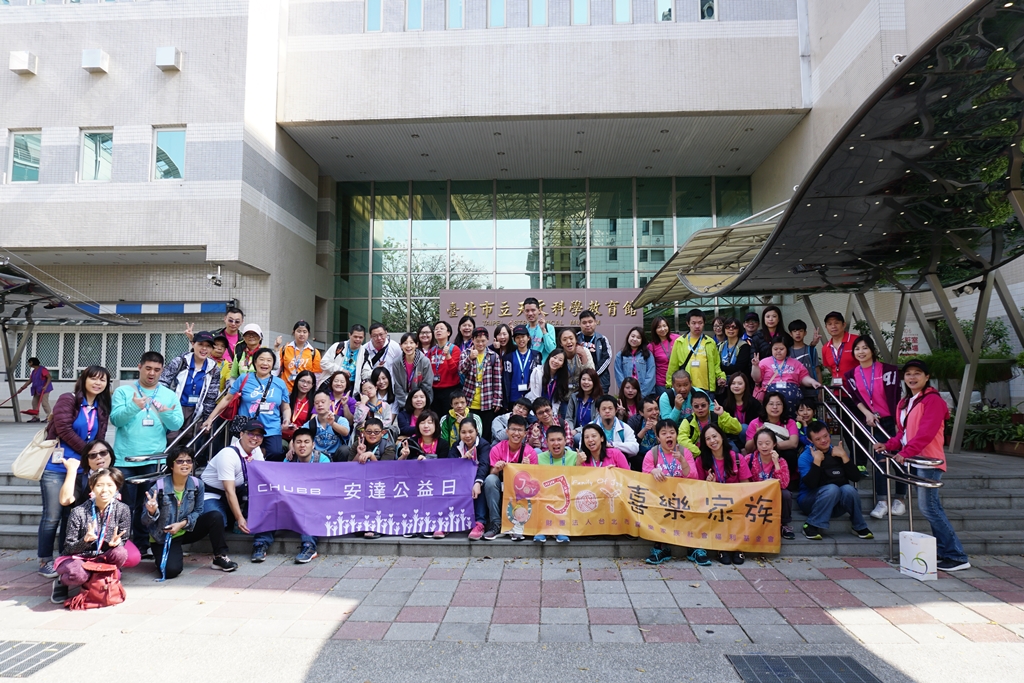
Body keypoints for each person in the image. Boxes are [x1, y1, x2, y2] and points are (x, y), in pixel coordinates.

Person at [876, 359, 969, 571]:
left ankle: (956, 555)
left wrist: (904, 452)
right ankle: (946, 553)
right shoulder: (905, 402)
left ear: (926, 377)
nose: (912, 377)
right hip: (916, 459)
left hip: (929, 460)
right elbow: (903, 433)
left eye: (917, 373)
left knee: (930, 508)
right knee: (930, 508)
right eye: (908, 373)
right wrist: (888, 445)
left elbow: (925, 433)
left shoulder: (933, 401)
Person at [38, 366, 111, 579]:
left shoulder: (102, 407)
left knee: (72, 516)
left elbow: (101, 438)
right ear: (84, 379)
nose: (98, 383)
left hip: (82, 471)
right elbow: (63, 428)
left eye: (103, 380)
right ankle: (44, 560)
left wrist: (98, 461)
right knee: (52, 516)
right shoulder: (68, 399)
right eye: (94, 379)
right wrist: (89, 451)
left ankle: (65, 556)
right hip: (56, 467)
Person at [110, 352, 184, 559]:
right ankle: (120, 547)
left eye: (157, 370)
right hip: (125, 459)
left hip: (154, 460)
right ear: (139, 366)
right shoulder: (124, 391)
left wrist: (166, 412)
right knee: (124, 507)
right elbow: (116, 420)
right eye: (148, 368)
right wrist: (135, 406)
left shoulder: (168, 394)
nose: (152, 373)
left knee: (149, 505)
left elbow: (176, 425)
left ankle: (142, 546)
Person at [142, 446, 238, 580]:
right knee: (171, 571)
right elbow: (144, 521)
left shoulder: (197, 484)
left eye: (189, 461)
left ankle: (220, 557)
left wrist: (182, 524)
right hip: (165, 535)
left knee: (215, 516)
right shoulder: (158, 488)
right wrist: (152, 512)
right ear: (171, 465)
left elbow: (198, 510)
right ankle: (161, 553)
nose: (185, 464)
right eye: (180, 461)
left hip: (187, 528)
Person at [845, 335, 905, 519]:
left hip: (893, 421)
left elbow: (897, 395)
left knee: (899, 458)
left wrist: (899, 421)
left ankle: (900, 499)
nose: (861, 352)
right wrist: (867, 413)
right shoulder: (851, 375)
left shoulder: (888, 371)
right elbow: (856, 400)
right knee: (880, 459)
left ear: (872, 350)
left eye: (865, 348)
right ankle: (882, 501)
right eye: (857, 349)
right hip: (874, 422)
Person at [50, 467, 130, 604]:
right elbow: (68, 548)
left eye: (110, 485)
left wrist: (117, 543)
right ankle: (61, 582)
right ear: (92, 487)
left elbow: (124, 537)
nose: (104, 490)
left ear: (117, 487)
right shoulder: (78, 512)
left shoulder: (123, 509)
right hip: (78, 557)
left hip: (103, 555)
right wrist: (85, 541)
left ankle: (99, 577)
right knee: (79, 576)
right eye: (99, 485)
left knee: (121, 553)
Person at [203, 348, 291, 461]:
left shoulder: (280, 383)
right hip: (247, 428)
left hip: (271, 428)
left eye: (269, 360)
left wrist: (287, 419)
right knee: (243, 459)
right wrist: (210, 418)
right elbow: (227, 399)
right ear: (255, 362)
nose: (265, 363)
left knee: (275, 453)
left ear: (273, 364)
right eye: (261, 359)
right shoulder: (244, 378)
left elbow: (286, 407)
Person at [200, 420, 267, 558]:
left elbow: (262, 478)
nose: (255, 438)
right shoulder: (228, 454)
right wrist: (240, 517)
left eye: (259, 435)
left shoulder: (256, 451)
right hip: (212, 493)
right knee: (220, 521)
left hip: (239, 490)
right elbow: (228, 490)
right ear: (241, 434)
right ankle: (220, 554)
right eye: (251, 434)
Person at [798, 420, 872, 541]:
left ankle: (859, 526)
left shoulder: (837, 451)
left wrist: (844, 457)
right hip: (810, 502)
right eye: (818, 439)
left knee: (849, 489)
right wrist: (816, 462)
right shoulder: (806, 456)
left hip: (836, 504)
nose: (823, 441)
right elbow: (810, 484)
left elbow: (855, 478)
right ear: (810, 441)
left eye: (825, 436)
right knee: (832, 489)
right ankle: (811, 525)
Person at [262, 428, 325, 563]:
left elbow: (327, 487)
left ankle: (309, 546)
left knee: (310, 507)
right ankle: (260, 544)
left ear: (313, 444)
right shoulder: (289, 460)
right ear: (293, 444)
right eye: (299, 442)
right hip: (292, 503)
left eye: (306, 442)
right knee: (271, 504)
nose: (302, 445)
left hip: (315, 504)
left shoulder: (323, 459)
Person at [643, 419, 701, 566]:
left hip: (683, 499)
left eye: (672, 432)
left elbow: (693, 477)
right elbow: (643, 479)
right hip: (660, 500)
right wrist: (652, 471)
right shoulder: (652, 454)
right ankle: (661, 547)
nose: (668, 436)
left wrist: (683, 461)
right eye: (664, 433)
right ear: (658, 437)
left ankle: (693, 547)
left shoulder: (684, 452)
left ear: (676, 435)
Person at [695, 423, 752, 564]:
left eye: (715, 436)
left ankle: (738, 547)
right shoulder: (701, 461)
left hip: (736, 501)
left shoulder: (736, 458)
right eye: (708, 439)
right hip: (713, 501)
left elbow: (745, 484)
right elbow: (698, 488)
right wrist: (709, 483)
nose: (712, 441)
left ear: (722, 437)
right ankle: (722, 548)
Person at [160, 331, 222, 443]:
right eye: (201, 344)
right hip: (175, 408)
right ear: (193, 344)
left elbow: (210, 397)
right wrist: (164, 406)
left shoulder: (214, 369)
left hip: (196, 411)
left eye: (208, 346)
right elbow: (162, 383)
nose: (204, 349)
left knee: (188, 444)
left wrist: (207, 418)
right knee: (170, 440)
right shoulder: (180, 362)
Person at [483, 414, 535, 540]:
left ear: (525, 433)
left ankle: (519, 523)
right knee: (490, 480)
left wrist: (527, 470)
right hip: (501, 483)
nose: (516, 433)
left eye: (520, 430)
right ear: (507, 431)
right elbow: (491, 474)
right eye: (513, 429)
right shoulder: (497, 448)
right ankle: (495, 523)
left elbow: (534, 481)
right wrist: (496, 468)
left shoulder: (530, 452)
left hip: (520, 487)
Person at [526, 425, 574, 544]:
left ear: (565, 440)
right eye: (552, 440)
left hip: (566, 497)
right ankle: (541, 529)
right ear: (546, 442)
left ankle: (562, 529)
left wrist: (579, 464)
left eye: (559, 439)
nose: (556, 443)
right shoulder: (538, 458)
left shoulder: (575, 456)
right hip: (545, 497)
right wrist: (525, 467)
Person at [745, 391, 801, 489]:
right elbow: (748, 448)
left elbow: (793, 443)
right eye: (771, 404)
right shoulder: (755, 423)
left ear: (783, 406)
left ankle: (787, 482)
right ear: (765, 406)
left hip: (780, 455)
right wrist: (757, 436)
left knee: (790, 454)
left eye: (778, 404)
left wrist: (770, 445)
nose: (775, 407)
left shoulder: (790, 422)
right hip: (760, 456)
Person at [751, 337, 822, 412]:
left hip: (793, 398)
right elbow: (756, 379)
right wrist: (755, 366)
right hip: (771, 396)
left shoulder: (795, 363)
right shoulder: (764, 362)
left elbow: (803, 377)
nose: (778, 351)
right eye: (775, 349)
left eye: (781, 349)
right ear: (771, 349)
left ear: (787, 349)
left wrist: (812, 382)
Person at [748, 429, 795, 540]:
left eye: (767, 443)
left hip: (773, 494)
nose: (764, 446)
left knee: (786, 494)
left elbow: (784, 485)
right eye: (760, 443)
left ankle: (784, 524)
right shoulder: (749, 459)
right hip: (755, 494)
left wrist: (776, 464)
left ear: (774, 444)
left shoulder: (781, 461)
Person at [458, 327, 503, 441]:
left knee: (485, 435)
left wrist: (497, 400)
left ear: (487, 340)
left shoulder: (493, 356)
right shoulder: (466, 353)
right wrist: (470, 358)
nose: (480, 344)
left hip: (487, 402)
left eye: (483, 341)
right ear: (472, 340)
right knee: (470, 434)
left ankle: (484, 457)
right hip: (469, 401)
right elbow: (461, 370)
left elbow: (497, 380)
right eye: (477, 341)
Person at [449, 417, 491, 541]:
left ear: (476, 431)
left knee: (480, 485)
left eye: (470, 432)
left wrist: (478, 481)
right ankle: (447, 522)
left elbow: (484, 465)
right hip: (460, 479)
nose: (467, 435)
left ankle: (480, 522)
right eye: (463, 432)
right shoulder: (456, 446)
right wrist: (462, 461)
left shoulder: (484, 445)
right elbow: (449, 466)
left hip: (477, 478)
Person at [668, 309, 725, 393]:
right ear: (688, 323)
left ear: (704, 323)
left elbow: (716, 365)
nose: (697, 326)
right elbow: (673, 366)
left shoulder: (710, 342)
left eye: (700, 323)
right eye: (693, 323)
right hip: (686, 390)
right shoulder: (680, 342)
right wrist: (669, 385)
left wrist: (721, 376)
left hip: (707, 389)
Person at [677, 390, 742, 457]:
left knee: (733, 450)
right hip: (699, 451)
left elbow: (737, 429)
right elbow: (681, 439)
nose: (700, 408)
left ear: (708, 404)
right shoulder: (688, 421)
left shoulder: (717, 416)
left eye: (703, 405)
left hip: (718, 446)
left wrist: (723, 415)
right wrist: (699, 452)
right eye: (696, 406)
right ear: (692, 407)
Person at [390, 332, 434, 410]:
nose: (408, 346)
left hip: (422, 402)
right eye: (405, 343)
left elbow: (427, 384)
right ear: (400, 345)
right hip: (404, 403)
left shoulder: (425, 361)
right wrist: (406, 403)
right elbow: (397, 385)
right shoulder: (396, 363)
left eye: (411, 343)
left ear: (416, 345)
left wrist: (417, 400)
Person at [276, 320, 322, 393]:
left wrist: (314, 392)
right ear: (294, 332)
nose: (301, 334)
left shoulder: (314, 352)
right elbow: (276, 370)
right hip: (286, 391)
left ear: (308, 334)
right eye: (299, 331)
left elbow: (317, 376)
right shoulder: (284, 349)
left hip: (305, 392)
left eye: (304, 332)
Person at [428, 320, 462, 416]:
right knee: (435, 418)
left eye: (441, 328)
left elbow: (454, 371)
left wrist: (447, 356)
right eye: (436, 329)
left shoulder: (454, 349)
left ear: (448, 332)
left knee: (448, 418)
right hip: (434, 390)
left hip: (450, 390)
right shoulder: (432, 351)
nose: (438, 331)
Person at [502, 325, 541, 408]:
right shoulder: (508, 357)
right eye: (518, 337)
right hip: (514, 397)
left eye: (523, 336)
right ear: (514, 340)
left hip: (531, 396)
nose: (521, 340)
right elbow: (506, 379)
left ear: (528, 338)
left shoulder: (536, 355)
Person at [722, 372, 762, 452]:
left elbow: (756, 426)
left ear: (746, 385)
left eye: (740, 383)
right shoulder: (726, 404)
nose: (736, 386)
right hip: (733, 438)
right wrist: (741, 447)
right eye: (733, 383)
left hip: (751, 438)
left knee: (744, 427)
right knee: (733, 451)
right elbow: (727, 429)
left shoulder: (754, 404)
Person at [306, 390, 350, 461]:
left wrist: (333, 424)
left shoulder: (340, 420)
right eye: (317, 403)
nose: (320, 405)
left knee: (345, 449)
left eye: (323, 402)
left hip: (335, 456)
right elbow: (297, 437)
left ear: (330, 403)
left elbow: (346, 432)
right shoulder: (311, 424)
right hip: (317, 457)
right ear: (314, 405)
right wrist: (292, 448)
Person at [530, 348, 571, 420]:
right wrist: (541, 414)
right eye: (554, 358)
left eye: (560, 360)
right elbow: (535, 397)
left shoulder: (561, 378)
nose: (556, 361)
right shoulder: (537, 372)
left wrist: (552, 415)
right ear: (549, 358)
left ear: (562, 365)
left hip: (550, 412)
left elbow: (557, 400)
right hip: (535, 410)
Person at [577, 310, 612, 393]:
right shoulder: (575, 338)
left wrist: (593, 374)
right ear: (580, 324)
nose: (588, 325)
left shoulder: (602, 339)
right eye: (584, 322)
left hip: (600, 381)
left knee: (600, 404)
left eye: (590, 322)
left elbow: (607, 359)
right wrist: (584, 377)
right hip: (580, 381)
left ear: (595, 322)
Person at [615, 326, 656, 396]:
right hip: (627, 395)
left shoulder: (648, 355)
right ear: (628, 337)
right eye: (632, 336)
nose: (634, 339)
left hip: (645, 394)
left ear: (642, 340)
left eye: (638, 337)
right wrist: (626, 392)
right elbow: (619, 376)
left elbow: (651, 376)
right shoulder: (620, 355)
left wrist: (641, 394)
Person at [788, 319, 822, 400]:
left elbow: (817, 371)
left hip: (811, 391)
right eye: (795, 331)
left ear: (805, 333)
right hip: (793, 390)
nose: (798, 333)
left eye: (801, 331)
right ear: (790, 334)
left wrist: (820, 391)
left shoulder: (811, 350)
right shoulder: (787, 352)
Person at [565, 368, 601, 440]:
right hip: (574, 432)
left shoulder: (599, 399)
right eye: (583, 379)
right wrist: (570, 431)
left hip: (591, 433)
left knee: (578, 438)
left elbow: (596, 422)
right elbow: (569, 418)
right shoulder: (574, 397)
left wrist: (577, 430)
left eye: (590, 380)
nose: (586, 382)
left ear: (595, 382)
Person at [717, 317, 752, 390]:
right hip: (721, 384)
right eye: (727, 327)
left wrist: (721, 368)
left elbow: (739, 368)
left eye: (734, 327)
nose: (730, 329)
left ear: (739, 329)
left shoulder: (744, 346)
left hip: (738, 384)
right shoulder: (720, 346)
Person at [627, 396, 661, 471]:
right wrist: (644, 429)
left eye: (656, 409)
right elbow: (631, 444)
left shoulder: (662, 421)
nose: (655, 413)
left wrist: (656, 430)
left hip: (657, 457)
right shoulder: (634, 421)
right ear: (641, 413)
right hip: (639, 456)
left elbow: (664, 445)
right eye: (650, 410)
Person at [558, 327, 595, 394]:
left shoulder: (584, 351)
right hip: (563, 394)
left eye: (571, 338)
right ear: (561, 343)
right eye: (564, 340)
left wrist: (583, 356)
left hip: (583, 393)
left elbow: (591, 374)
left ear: (576, 340)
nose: (569, 342)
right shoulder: (559, 356)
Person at [284, 370, 316, 443]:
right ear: (297, 381)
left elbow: (312, 425)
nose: (305, 385)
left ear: (312, 385)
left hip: (301, 438)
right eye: (302, 381)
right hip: (283, 435)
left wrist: (300, 429)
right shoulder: (287, 398)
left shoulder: (314, 403)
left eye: (308, 382)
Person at [648, 315, 678, 390]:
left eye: (664, 326)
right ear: (654, 330)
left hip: (678, 380)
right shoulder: (652, 346)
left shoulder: (677, 339)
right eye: (659, 327)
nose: (662, 329)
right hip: (661, 383)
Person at [17, 357, 52, 422]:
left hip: (45, 390)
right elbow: (30, 381)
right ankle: (36, 417)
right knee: (34, 403)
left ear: (32, 362)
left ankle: (49, 417)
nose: (28, 364)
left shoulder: (43, 369)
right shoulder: (33, 372)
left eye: (29, 362)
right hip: (37, 390)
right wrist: (21, 388)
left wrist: (45, 386)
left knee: (44, 403)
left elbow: (49, 377)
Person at [523, 297, 556, 362]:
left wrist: (543, 330)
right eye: (527, 311)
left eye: (533, 310)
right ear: (524, 312)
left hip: (542, 368)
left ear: (539, 311)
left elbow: (552, 350)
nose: (530, 313)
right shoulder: (523, 330)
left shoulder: (548, 328)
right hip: (526, 368)